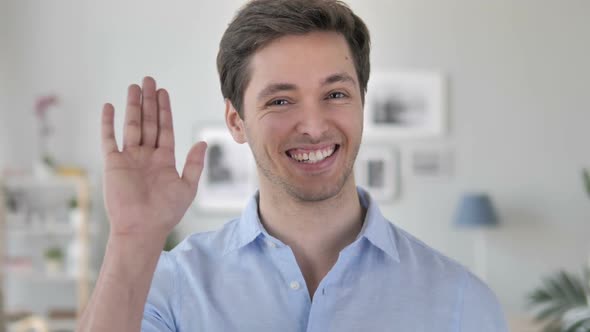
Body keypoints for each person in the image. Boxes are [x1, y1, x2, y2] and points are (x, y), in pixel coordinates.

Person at [79, 0, 508, 331]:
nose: (315, 126)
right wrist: (132, 237)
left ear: (361, 103)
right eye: (280, 100)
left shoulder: (461, 301)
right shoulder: (170, 287)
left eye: (336, 94)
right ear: (236, 121)